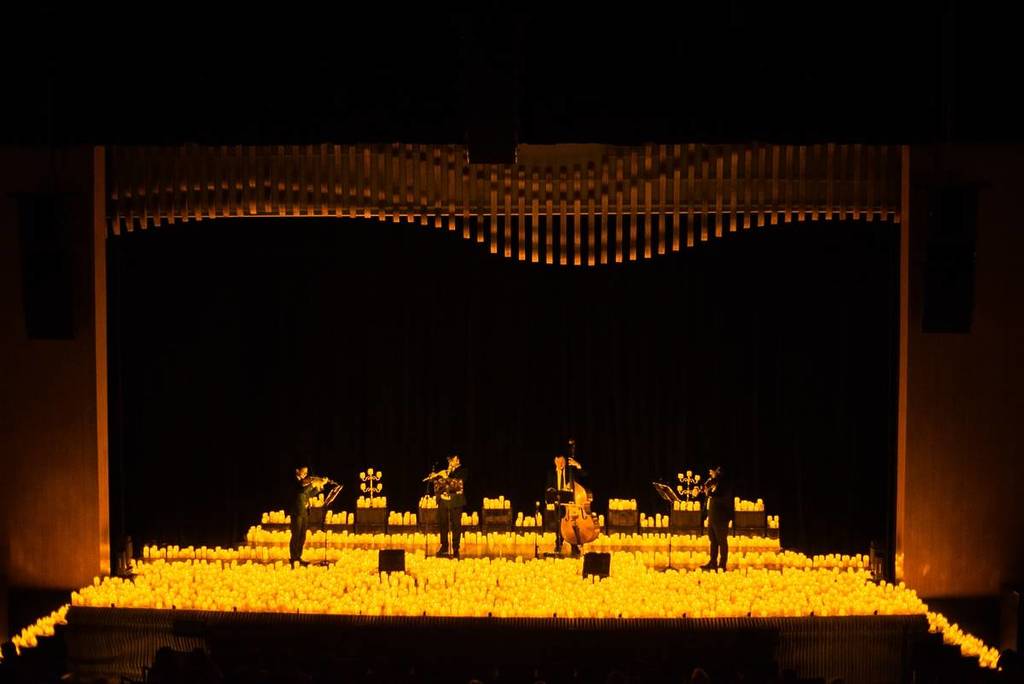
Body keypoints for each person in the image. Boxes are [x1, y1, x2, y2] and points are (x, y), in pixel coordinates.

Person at [546, 452, 586, 556]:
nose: (560, 464)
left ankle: (573, 545)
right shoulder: (551, 473)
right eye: (558, 462)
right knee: (559, 524)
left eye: (562, 462)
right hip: (558, 503)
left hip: (570, 504)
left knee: (571, 525)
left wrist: (577, 465)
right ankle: (558, 544)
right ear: (555, 461)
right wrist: (549, 497)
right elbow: (548, 488)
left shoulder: (570, 472)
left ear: (565, 461)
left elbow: (584, 474)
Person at [290, 465, 329, 565]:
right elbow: (301, 490)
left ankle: (298, 556)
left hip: (304, 512)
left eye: (307, 473)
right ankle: (293, 557)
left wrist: (320, 486)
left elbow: (309, 494)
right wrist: (312, 484)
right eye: (304, 472)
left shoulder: (304, 483)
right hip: (297, 512)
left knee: (302, 536)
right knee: (296, 535)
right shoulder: (294, 481)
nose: (306, 474)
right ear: (297, 470)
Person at [701, 465, 734, 571]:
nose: (710, 473)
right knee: (713, 540)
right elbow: (708, 492)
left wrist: (709, 493)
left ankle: (722, 564)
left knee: (721, 541)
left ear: (718, 472)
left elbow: (722, 498)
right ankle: (713, 562)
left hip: (721, 517)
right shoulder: (714, 483)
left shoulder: (724, 484)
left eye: (712, 471)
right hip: (712, 516)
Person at [437, 453, 467, 557]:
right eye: (449, 460)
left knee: (456, 524)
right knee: (443, 523)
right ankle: (444, 545)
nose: (449, 462)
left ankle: (455, 547)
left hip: (456, 501)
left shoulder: (463, 471)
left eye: (452, 460)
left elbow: (458, 484)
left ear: (458, 460)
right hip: (444, 500)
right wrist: (437, 476)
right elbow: (440, 484)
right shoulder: (447, 471)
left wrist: (446, 477)